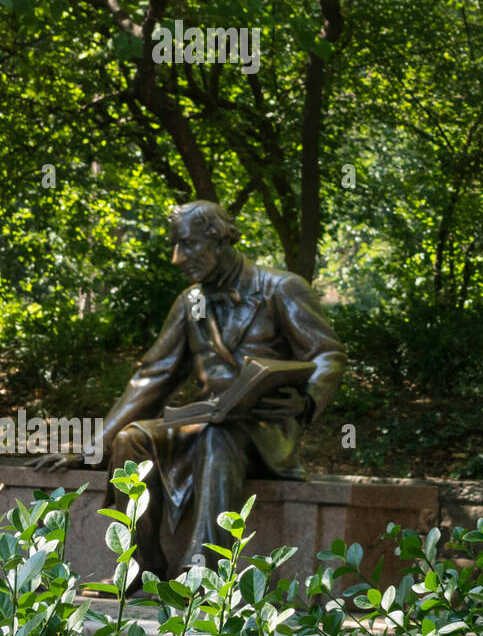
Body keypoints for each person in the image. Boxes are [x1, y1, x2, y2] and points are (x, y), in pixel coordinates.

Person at [32, 200, 346, 581]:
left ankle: (203, 571)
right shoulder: (191, 303)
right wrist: (90, 449)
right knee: (132, 440)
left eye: (187, 244)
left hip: (266, 430)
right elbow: (150, 379)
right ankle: (140, 566)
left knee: (218, 433)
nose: (177, 258)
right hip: (207, 420)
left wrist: (308, 400)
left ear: (219, 238)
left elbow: (327, 353)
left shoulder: (281, 288)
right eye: (174, 246)